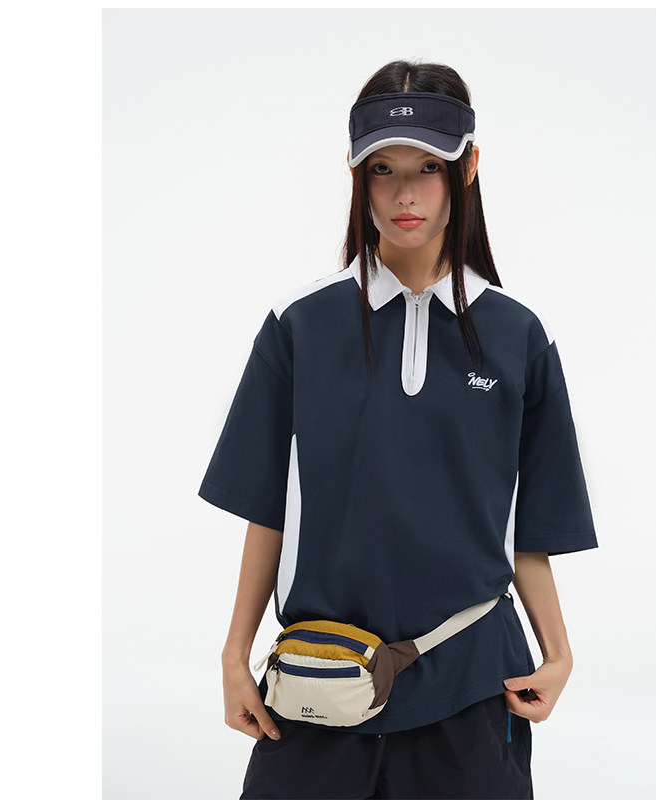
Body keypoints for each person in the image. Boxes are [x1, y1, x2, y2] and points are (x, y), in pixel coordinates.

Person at [198, 59, 599, 800]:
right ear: (357, 175)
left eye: (429, 169)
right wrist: (234, 654)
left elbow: (529, 528)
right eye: (382, 169)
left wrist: (559, 652)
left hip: (474, 684)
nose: (404, 193)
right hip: (320, 684)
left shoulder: (518, 338)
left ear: (468, 167)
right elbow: (267, 508)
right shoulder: (299, 327)